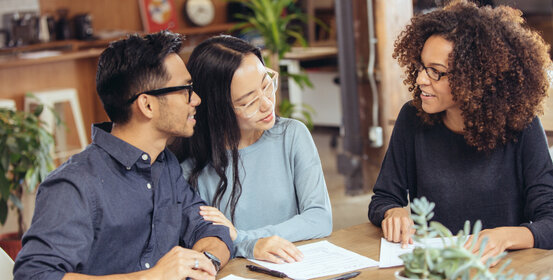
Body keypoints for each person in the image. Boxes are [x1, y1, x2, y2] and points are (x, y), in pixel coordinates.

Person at [14, 31, 232, 280]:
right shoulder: (74, 185)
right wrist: (150, 277)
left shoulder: (164, 164)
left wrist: (205, 261)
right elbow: (35, 275)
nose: (196, 99)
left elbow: (210, 228)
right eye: (186, 89)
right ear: (147, 105)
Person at [368, 0, 553, 265]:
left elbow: (550, 219)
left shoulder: (522, 126)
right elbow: (383, 198)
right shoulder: (413, 118)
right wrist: (393, 211)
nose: (421, 79)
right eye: (421, 66)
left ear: (475, 77)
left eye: (436, 72)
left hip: (503, 267)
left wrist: (505, 237)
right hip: (436, 265)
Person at [170, 35, 332, 263]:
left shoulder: (292, 135)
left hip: (295, 266)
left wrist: (246, 240)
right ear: (217, 108)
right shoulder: (190, 168)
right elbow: (202, 244)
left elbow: (319, 219)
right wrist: (248, 246)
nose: (267, 103)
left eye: (267, 86)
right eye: (248, 102)